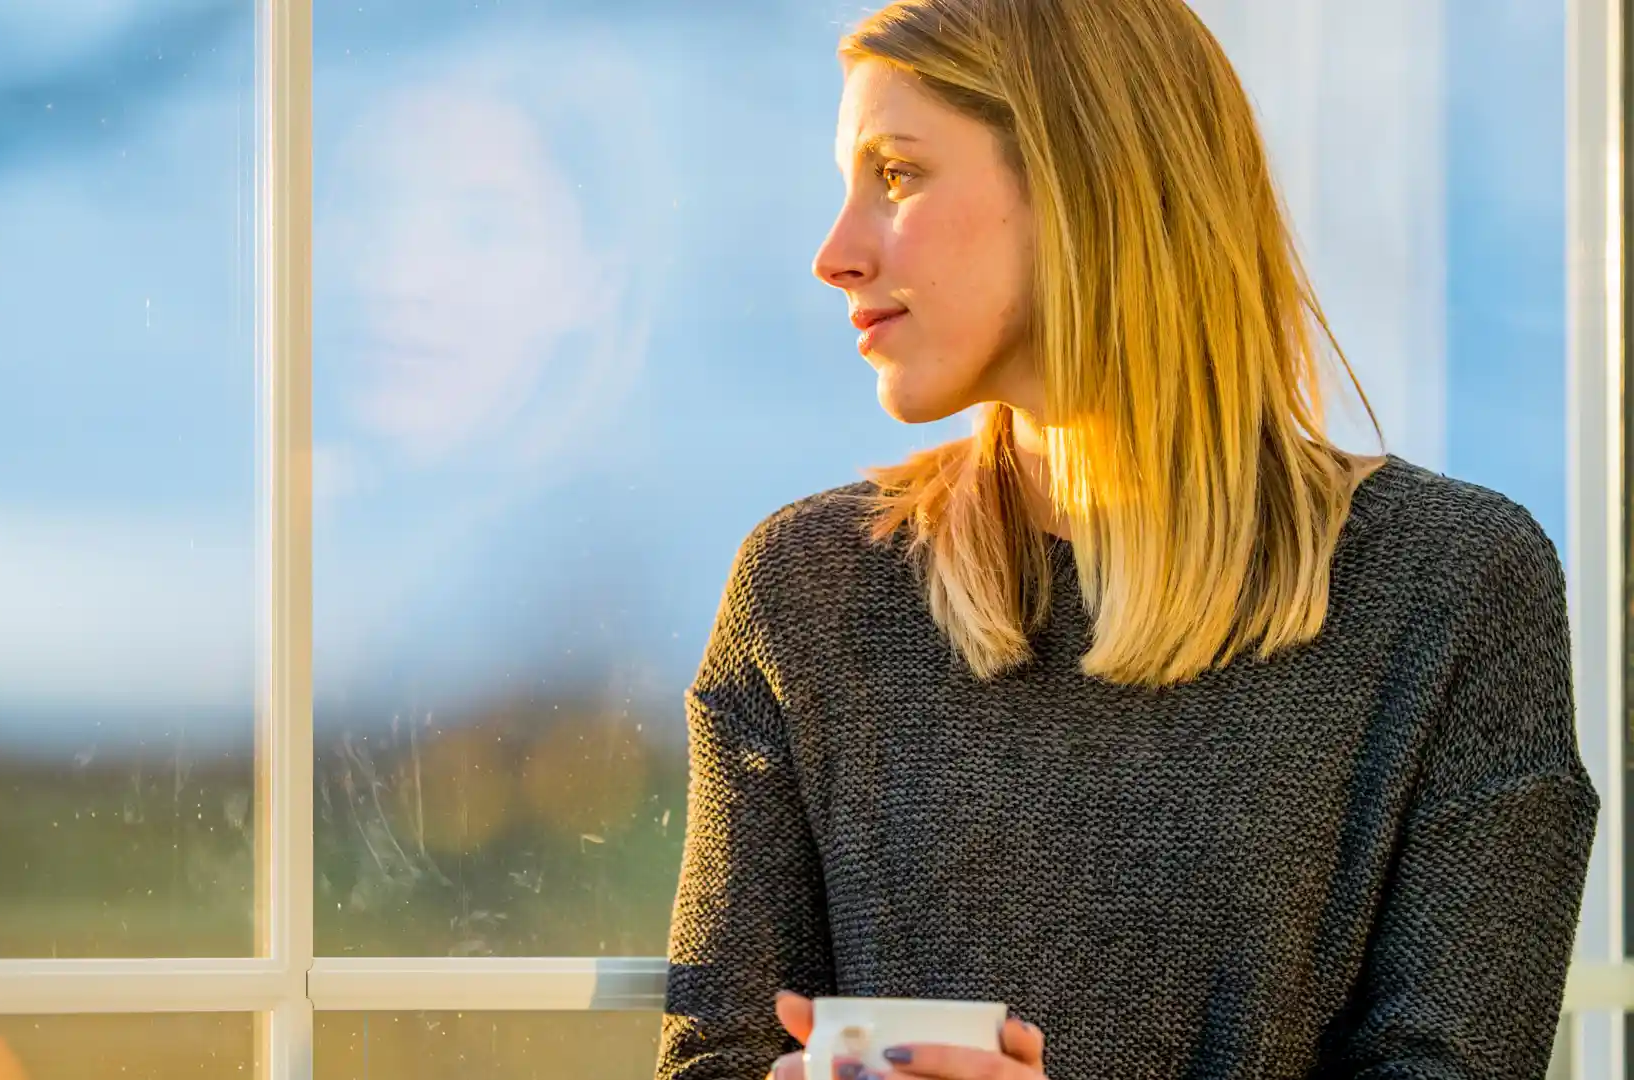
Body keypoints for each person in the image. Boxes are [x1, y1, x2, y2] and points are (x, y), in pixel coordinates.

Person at [654, 0, 1598, 1077]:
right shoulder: (807, 590)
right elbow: (716, 1057)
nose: (834, 253)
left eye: (898, 175)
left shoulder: (1453, 584)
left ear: (1084, 181)